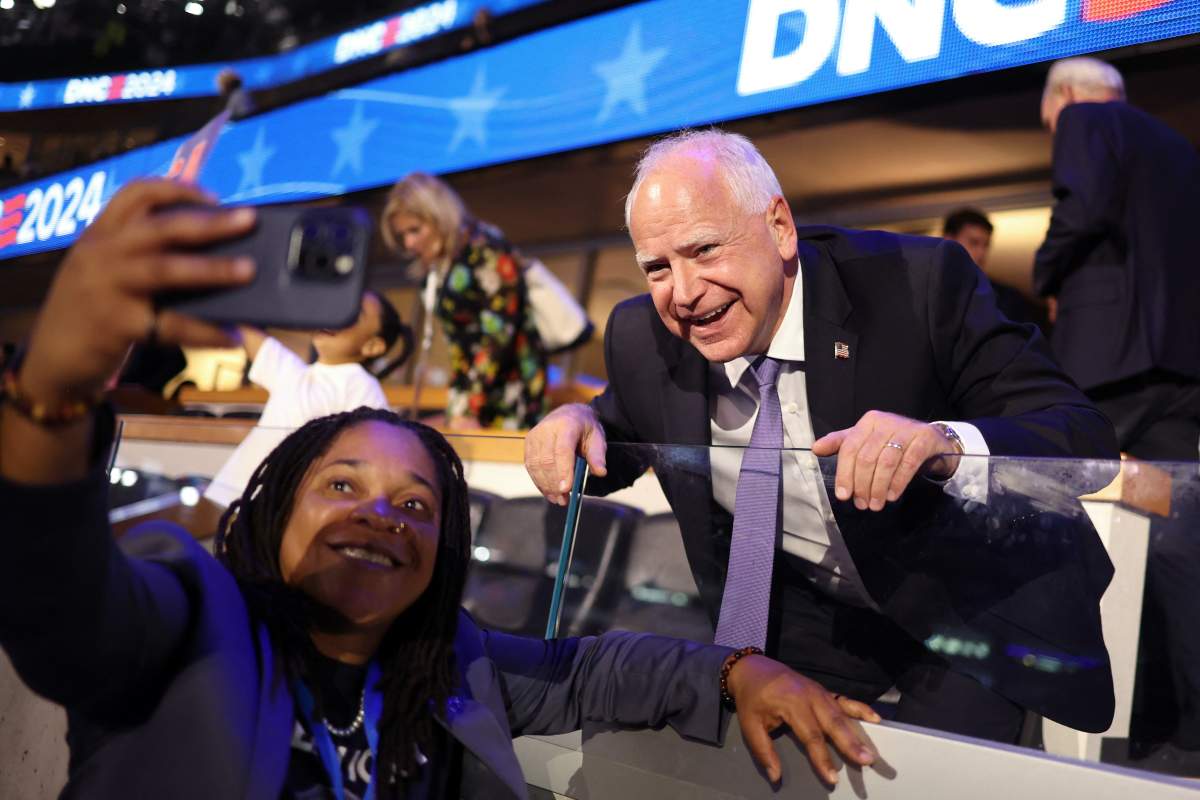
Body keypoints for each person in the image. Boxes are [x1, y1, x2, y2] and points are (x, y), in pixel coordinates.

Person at [0, 178, 882, 797]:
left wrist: (740, 670)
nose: (381, 512)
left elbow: (592, 669)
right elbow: (56, 600)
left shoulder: (450, 663)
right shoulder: (191, 614)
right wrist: (54, 392)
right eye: (342, 483)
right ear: (271, 511)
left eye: (417, 504)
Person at [525, 129, 1120, 744]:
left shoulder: (921, 285)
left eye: (704, 250)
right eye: (657, 268)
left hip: (965, 608)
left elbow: (1083, 441)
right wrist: (576, 422)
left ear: (780, 227)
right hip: (808, 618)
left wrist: (942, 446)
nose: (683, 292)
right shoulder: (641, 336)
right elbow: (620, 424)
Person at [1034, 57, 1200, 774]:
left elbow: (1084, 205)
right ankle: (1184, 721)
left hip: (1106, 362)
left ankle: (1066, 713)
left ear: (1064, 96)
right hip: (1179, 367)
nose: (1053, 130)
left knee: (1058, 516)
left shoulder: (1084, 117)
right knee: (1175, 541)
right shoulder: (1176, 146)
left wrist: (1044, 272)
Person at [202, 290, 403, 509]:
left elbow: (376, 452)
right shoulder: (295, 373)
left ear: (372, 346)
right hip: (227, 492)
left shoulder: (362, 386)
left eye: (354, 312)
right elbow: (247, 331)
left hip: (271, 511)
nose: (337, 314)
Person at [382, 172, 547, 430]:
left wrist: (470, 407)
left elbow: (498, 334)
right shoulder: (437, 265)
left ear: (439, 217)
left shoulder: (485, 247)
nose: (409, 242)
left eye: (415, 230)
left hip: (508, 390)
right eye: (402, 235)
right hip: (469, 392)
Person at [942, 207, 1048, 332]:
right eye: (974, 242)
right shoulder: (926, 290)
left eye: (986, 245)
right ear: (948, 240)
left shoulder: (1007, 298)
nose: (981, 253)